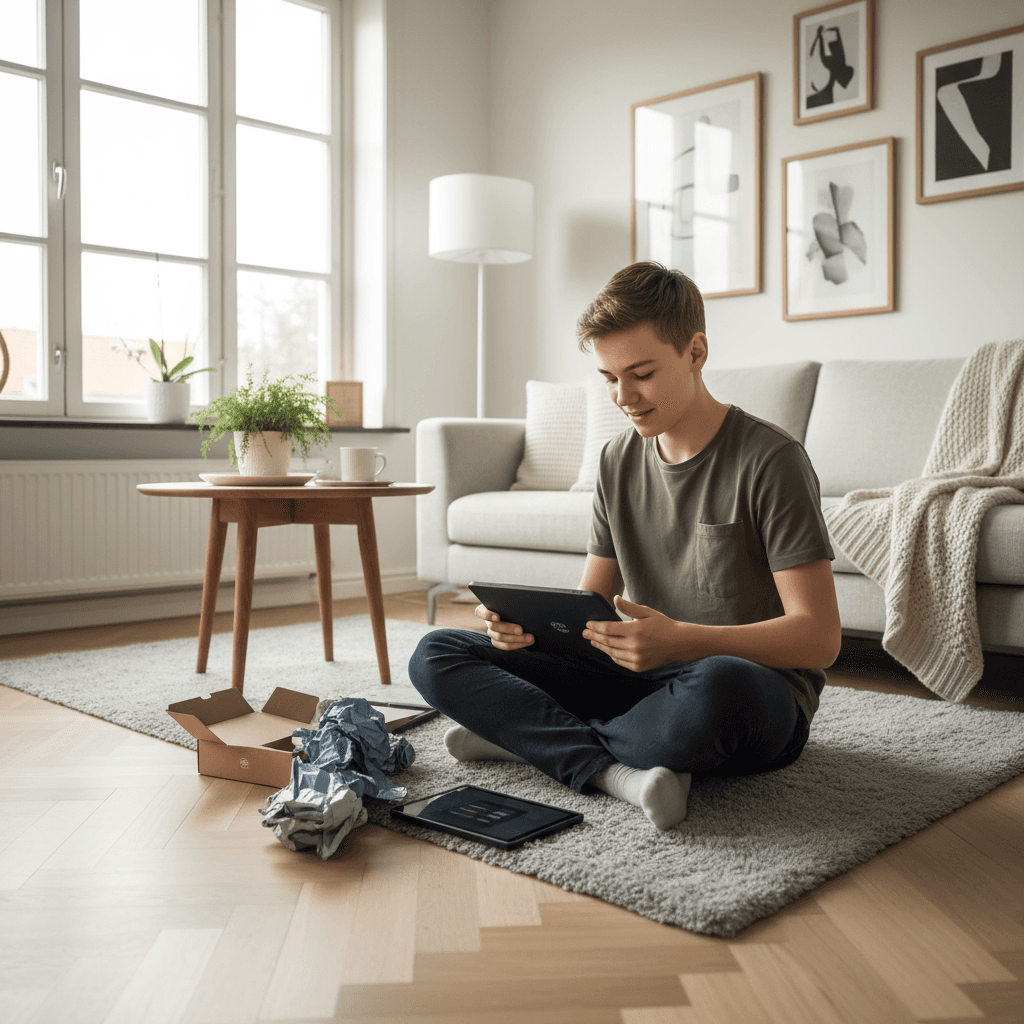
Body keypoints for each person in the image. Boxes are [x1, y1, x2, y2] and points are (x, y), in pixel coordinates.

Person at [409, 261, 841, 829]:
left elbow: (819, 638)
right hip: (635, 681)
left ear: (695, 352)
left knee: (719, 685)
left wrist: (680, 641)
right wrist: (529, 631)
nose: (622, 396)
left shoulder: (771, 460)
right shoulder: (617, 460)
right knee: (437, 653)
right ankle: (615, 770)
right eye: (609, 378)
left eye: (640, 374)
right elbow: (589, 609)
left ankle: (526, 739)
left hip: (744, 689)